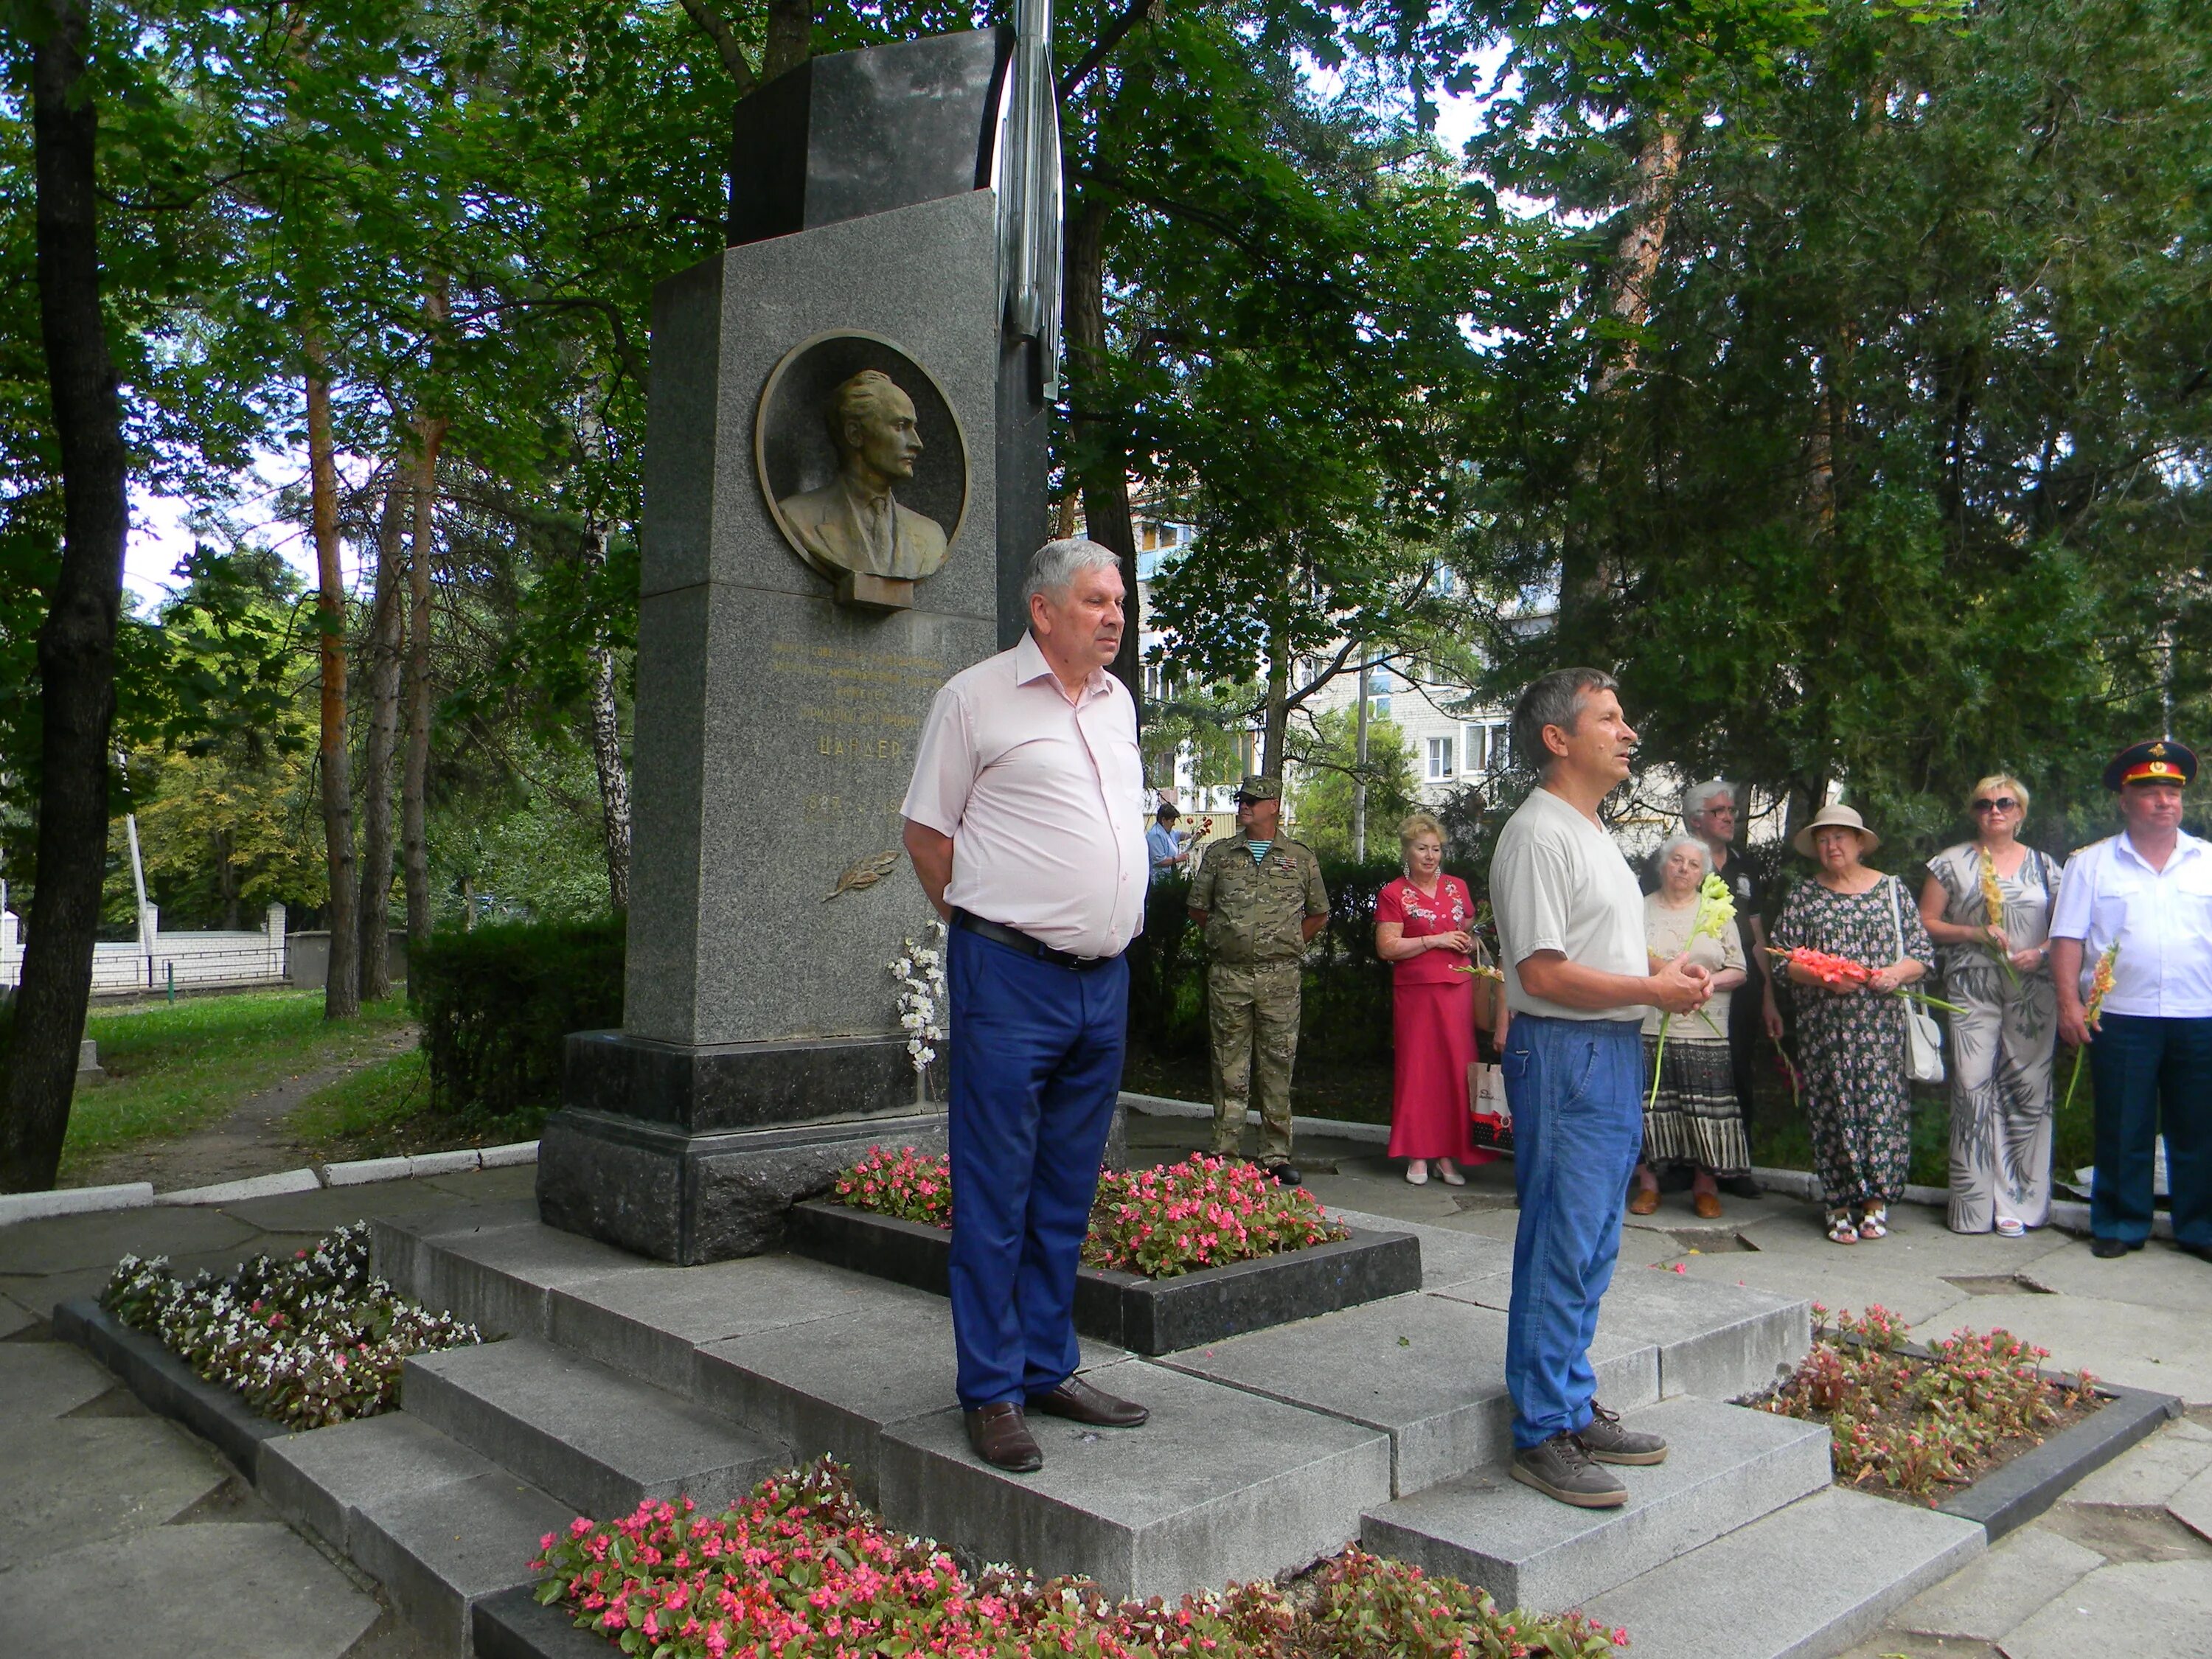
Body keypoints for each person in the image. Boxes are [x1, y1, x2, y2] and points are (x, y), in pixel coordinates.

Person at [900, 537, 1151, 1474]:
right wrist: (992, 928)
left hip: (1104, 981)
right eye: (1095, 600)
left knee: (1065, 1190)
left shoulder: (1119, 705)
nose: (1114, 614)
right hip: (1010, 978)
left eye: (1118, 600)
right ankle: (992, 1389)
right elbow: (928, 834)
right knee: (997, 1191)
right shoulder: (974, 698)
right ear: (1043, 611)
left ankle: (1049, 1363)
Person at [1490, 667, 1711, 1509]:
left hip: (1607, 1049)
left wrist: (1662, 967)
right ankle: (1541, 1431)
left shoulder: (1587, 830)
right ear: (1558, 739)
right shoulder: (1538, 833)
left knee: (1592, 1240)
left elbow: (1595, 945)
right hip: (1567, 1050)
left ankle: (1573, 1403)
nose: (1628, 732)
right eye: (1610, 719)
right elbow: (1542, 971)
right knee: (1562, 1235)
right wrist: (1653, 992)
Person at [2048, 739, 2212, 1264]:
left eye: (2172, 792)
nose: (2164, 802)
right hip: (2121, 1017)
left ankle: (2201, 1227)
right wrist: (2069, 1006)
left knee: (2200, 1128)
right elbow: (2067, 939)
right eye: (2151, 792)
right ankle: (2120, 1222)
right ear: (2125, 800)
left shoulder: (2207, 861)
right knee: (2124, 1124)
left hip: (2199, 1013)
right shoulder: (2092, 864)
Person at [1771, 804, 1936, 1247]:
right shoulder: (1805, 895)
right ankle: (1837, 1201)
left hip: (1880, 1025)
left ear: (1860, 842)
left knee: (1881, 1108)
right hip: (1825, 1026)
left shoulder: (1892, 891)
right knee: (1832, 1107)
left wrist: (1896, 974)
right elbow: (1781, 962)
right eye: (1824, 839)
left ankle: (1876, 1202)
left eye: (1841, 837)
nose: (1832, 846)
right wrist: (1825, 978)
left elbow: (1922, 954)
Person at [1919, 775, 2064, 1237]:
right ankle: (1973, 1206)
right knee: (1972, 1085)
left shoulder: (2045, 866)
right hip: (1971, 985)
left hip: (2032, 989)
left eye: (2004, 803)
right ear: (1974, 812)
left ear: (2020, 812)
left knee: (2028, 1087)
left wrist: (2040, 953)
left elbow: (2067, 927)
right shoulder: (1950, 864)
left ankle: (2019, 1203)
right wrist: (1974, 933)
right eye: (1984, 804)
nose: (1994, 811)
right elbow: (1927, 922)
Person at [1187, 776, 1329, 1185]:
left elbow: (1318, 913)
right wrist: (1224, 939)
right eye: (1241, 799)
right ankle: (1225, 1153)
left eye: (1253, 800)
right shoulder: (1219, 854)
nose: (1244, 805)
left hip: (1280, 978)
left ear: (1274, 806)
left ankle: (1275, 1153)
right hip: (1229, 977)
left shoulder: (1300, 857)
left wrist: (1285, 944)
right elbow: (1198, 907)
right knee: (1228, 1064)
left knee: (1277, 1066)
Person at [1376, 811, 1502, 1186]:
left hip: (1458, 991)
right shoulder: (1393, 892)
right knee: (1418, 1071)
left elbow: (1467, 927)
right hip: (1417, 995)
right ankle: (1418, 1153)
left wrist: (1467, 937)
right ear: (1407, 851)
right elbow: (1387, 947)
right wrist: (1435, 940)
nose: (1430, 856)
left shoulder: (1457, 887)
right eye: (1422, 849)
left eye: (1436, 849)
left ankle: (1448, 1156)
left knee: (1455, 1070)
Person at [1630, 835, 1750, 1220]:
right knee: (1648, 1106)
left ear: (1704, 874)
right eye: (1677, 861)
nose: (1683, 869)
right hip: (1649, 1023)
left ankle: (1705, 1186)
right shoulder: (1639, 908)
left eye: (1693, 864)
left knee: (1706, 1111)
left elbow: (1740, 969)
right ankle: (1648, 1184)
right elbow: (1623, 957)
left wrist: (1709, 984)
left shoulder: (1717, 911)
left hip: (1705, 1028)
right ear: (1663, 866)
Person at [1680, 781, 1781, 1193]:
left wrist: (1769, 998)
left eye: (1731, 811)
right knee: (1685, 1070)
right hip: (1691, 983)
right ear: (1695, 821)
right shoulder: (1677, 861)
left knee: (1738, 1071)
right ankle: (1685, 1164)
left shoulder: (1745, 865)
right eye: (1719, 811)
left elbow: (1757, 934)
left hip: (1742, 984)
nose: (1728, 817)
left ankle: (1736, 1167)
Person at [777, 370, 950, 580]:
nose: (917, 443)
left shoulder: (930, 536)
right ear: (855, 434)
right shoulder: (797, 516)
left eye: (914, 427)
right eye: (900, 426)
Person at [1147, 802, 1189, 884]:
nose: (1174, 823)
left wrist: (1193, 836)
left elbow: (1179, 834)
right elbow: (1160, 861)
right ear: (1163, 820)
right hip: (1159, 881)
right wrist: (1178, 859)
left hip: (1169, 878)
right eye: (1172, 821)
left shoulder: (1168, 832)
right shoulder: (1155, 835)